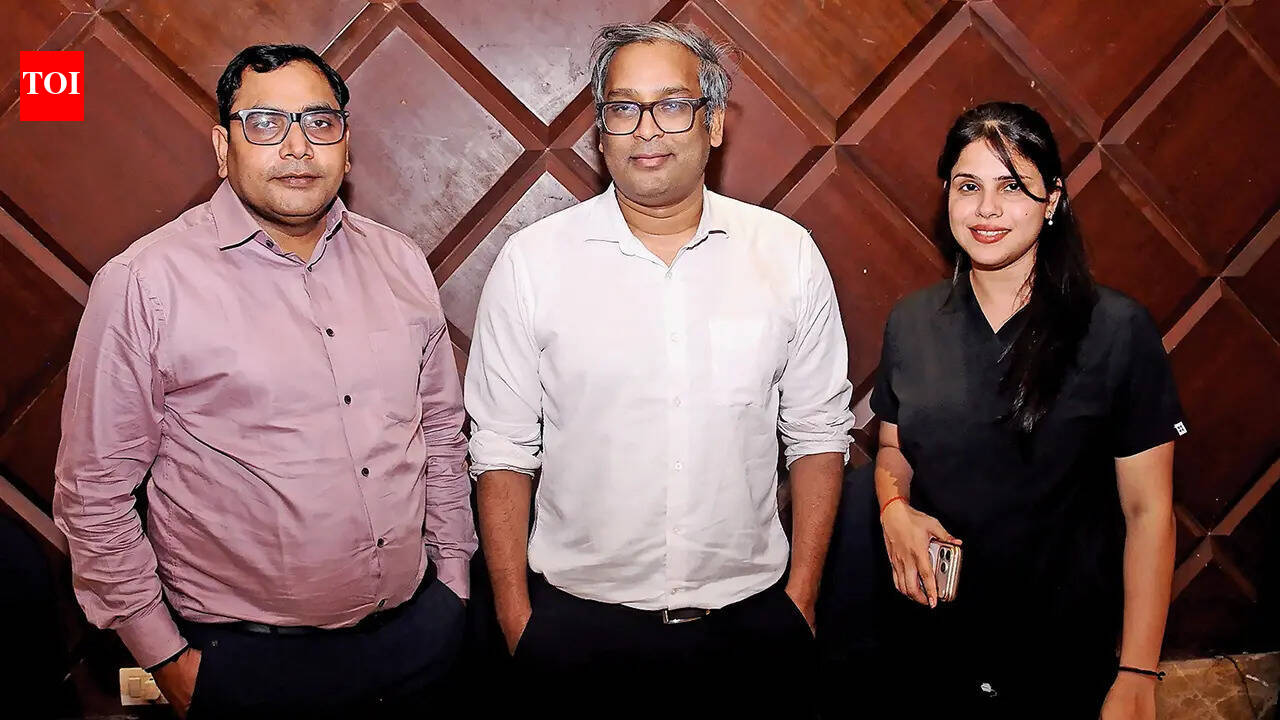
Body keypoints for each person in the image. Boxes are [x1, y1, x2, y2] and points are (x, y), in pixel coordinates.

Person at [53, 44, 474, 719]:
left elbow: (442, 437)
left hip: (417, 638)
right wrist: (167, 659)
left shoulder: (399, 262)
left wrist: (453, 580)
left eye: (319, 122)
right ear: (223, 148)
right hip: (244, 666)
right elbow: (93, 493)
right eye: (266, 123)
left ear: (346, 145)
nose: (297, 146)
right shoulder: (145, 284)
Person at [465, 21, 854, 718]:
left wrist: (801, 600)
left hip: (750, 631)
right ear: (601, 130)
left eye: (672, 105)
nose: (647, 129)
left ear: (713, 124)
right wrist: (517, 621)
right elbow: (501, 448)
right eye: (624, 107)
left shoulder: (785, 254)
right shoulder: (535, 263)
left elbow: (819, 433)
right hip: (575, 634)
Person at [872, 101, 1182, 718]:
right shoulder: (911, 323)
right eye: (968, 186)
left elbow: (1149, 513)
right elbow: (892, 448)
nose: (986, 209)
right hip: (930, 649)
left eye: (1012, 187)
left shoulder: (1116, 330)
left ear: (1052, 200)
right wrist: (893, 509)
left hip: (1064, 658)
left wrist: (1137, 671)